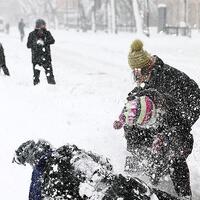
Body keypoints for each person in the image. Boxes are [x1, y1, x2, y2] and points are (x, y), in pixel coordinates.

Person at [113, 39, 200, 200]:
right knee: (141, 137)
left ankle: (185, 195)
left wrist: (165, 135)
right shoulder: (151, 79)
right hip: (165, 113)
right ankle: (149, 176)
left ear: (143, 69)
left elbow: (180, 120)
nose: (135, 75)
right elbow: (136, 97)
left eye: (135, 71)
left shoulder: (165, 81)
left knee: (172, 152)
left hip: (186, 111)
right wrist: (124, 117)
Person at [13, 139, 179, 200]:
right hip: (115, 185)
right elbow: (104, 164)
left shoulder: (41, 181)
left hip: (99, 193)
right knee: (140, 188)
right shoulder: (67, 150)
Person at [27, 19, 56, 85]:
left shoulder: (47, 33)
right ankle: (37, 90)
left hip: (46, 57)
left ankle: (53, 89)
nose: (44, 26)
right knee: (36, 77)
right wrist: (36, 43)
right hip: (36, 58)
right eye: (43, 25)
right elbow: (28, 45)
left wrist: (44, 42)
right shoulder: (32, 34)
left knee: (50, 76)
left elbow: (52, 41)